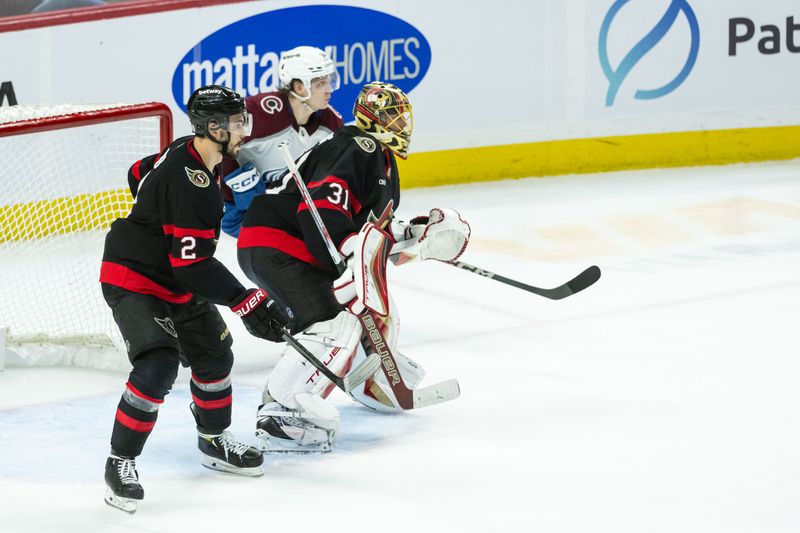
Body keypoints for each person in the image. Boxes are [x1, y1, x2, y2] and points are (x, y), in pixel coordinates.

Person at [236, 81, 471, 452]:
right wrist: (347, 246)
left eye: (402, 116)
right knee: (332, 325)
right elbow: (323, 208)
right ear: (372, 116)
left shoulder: (379, 161)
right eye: (392, 115)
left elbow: (370, 234)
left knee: (370, 316)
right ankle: (280, 413)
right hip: (281, 242)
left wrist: (417, 234)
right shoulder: (360, 146)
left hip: (292, 246)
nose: (401, 123)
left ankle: (369, 377)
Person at [98, 85, 293, 513]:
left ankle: (213, 440)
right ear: (213, 128)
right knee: (159, 363)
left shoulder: (188, 150)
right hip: (134, 278)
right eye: (238, 122)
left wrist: (153, 212)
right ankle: (120, 461)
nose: (245, 128)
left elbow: (137, 171)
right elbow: (192, 266)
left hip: (172, 276)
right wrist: (245, 299)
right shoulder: (194, 185)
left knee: (214, 354)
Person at [220, 46, 344, 238]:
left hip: (282, 209)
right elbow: (220, 135)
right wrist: (235, 188)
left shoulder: (331, 124)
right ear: (299, 87)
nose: (329, 89)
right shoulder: (262, 112)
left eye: (329, 81)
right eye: (320, 83)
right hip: (235, 214)